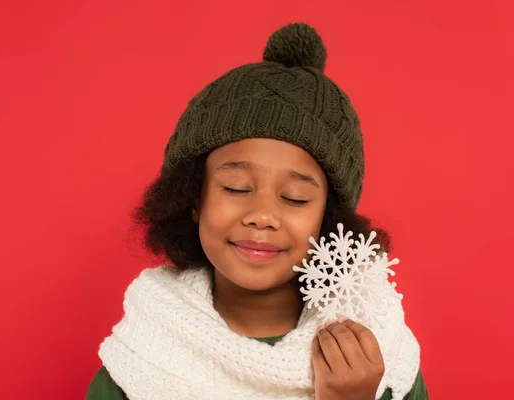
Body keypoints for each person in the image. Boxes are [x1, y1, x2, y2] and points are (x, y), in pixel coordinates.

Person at [86, 22, 428, 400]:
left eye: (295, 197)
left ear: (329, 219)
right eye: (236, 188)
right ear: (193, 198)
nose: (263, 215)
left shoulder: (379, 359)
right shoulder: (138, 362)